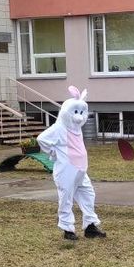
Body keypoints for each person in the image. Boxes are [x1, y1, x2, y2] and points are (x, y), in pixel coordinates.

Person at [37, 86, 105, 241]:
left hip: (80, 169)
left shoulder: (77, 128)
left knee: (88, 194)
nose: (79, 117)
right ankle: (67, 229)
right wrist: (53, 152)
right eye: (75, 112)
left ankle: (90, 226)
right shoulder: (59, 128)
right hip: (66, 169)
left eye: (81, 112)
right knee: (66, 198)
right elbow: (42, 139)